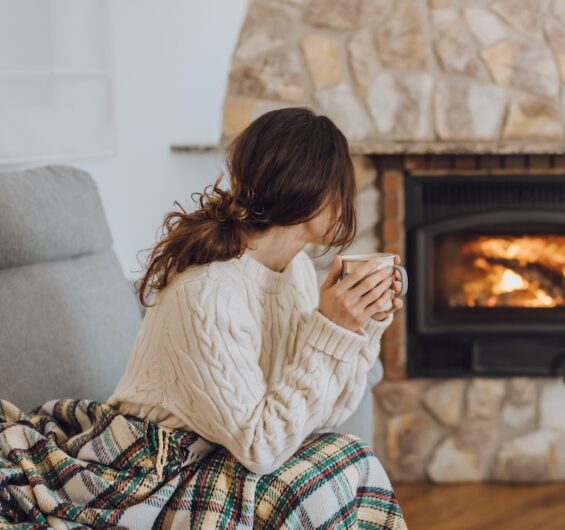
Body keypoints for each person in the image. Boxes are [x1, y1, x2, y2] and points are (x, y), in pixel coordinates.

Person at [107, 106, 403, 476]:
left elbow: (327, 415)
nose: (348, 200)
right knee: (336, 473)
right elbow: (260, 448)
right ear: (309, 189)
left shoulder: (297, 272)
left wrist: (361, 326)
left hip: (224, 451)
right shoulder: (209, 294)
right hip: (156, 462)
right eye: (342, 184)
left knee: (349, 457)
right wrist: (332, 329)